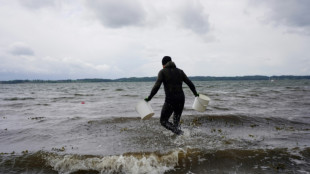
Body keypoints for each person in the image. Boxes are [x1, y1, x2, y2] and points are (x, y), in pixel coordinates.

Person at [145, 56, 199, 135]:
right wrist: (195, 94)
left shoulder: (162, 72)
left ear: (163, 64)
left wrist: (149, 97)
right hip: (181, 99)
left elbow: (156, 86)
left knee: (163, 121)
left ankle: (179, 133)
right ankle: (178, 137)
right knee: (176, 121)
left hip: (170, 100)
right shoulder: (180, 71)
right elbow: (190, 83)